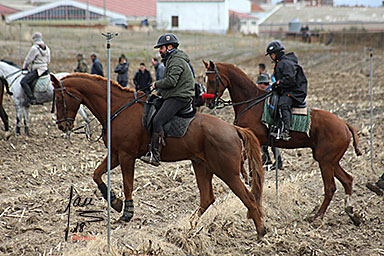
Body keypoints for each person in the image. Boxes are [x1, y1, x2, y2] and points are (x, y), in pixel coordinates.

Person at [140, 33, 195, 166]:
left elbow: (171, 81)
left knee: (158, 119)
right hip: (174, 94)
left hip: (179, 97)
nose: (159, 50)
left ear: (170, 47)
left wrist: (156, 84)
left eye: (161, 47)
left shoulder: (176, 60)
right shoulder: (172, 59)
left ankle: (155, 155)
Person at [265, 40, 308, 141]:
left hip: (296, 92)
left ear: (276, 54)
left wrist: (278, 83)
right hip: (289, 90)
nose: (271, 57)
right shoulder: (281, 63)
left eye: (272, 54)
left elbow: (290, 79)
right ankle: (275, 126)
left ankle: (286, 131)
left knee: (283, 103)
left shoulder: (285, 63)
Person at [256, 74, 283, 169]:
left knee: (272, 139)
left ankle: (278, 161)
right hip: (267, 120)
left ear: (263, 84)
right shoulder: (266, 92)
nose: (258, 86)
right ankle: (266, 158)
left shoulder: (270, 93)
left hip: (272, 120)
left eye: (259, 84)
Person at [21, 32, 51, 105]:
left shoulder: (34, 48)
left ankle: (31, 98)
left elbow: (28, 60)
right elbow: (48, 60)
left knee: (24, 81)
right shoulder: (47, 48)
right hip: (45, 69)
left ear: (34, 39)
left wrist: (24, 67)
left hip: (37, 70)